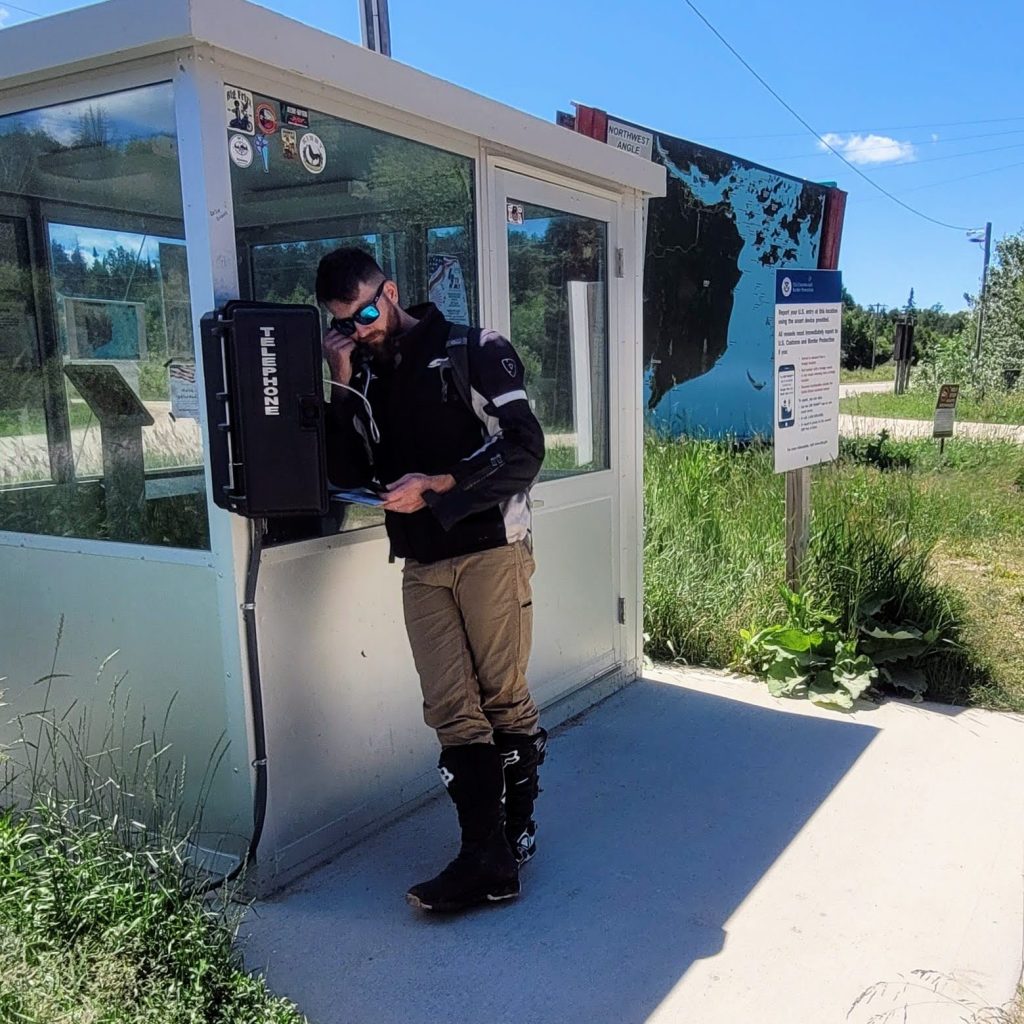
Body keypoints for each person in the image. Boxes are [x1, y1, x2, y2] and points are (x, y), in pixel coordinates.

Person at [316, 248, 548, 913]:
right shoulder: (363, 373)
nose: (357, 331)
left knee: (502, 697)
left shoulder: (473, 348)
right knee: (448, 706)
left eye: (365, 315)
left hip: (490, 548)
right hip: (421, 561)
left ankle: (514, 834)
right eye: (341, 324)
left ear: (390, 292)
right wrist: (339, 379)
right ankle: (484, 856)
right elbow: (346, 469)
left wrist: (438, 484)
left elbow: (525, 448)